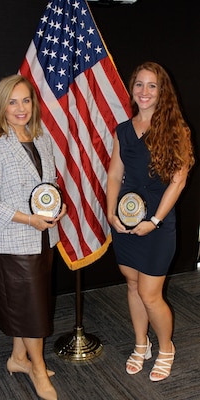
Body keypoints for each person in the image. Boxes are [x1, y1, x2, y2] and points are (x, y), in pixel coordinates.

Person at [0, 74, 67, 400]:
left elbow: (51, 183)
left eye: (26, 100)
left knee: (29, 303)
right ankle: (38, 369)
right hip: (13, 240)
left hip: (44, 237)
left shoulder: (42, 138)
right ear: (2, 105)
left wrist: (59, 207)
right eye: (12, 101)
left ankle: (18, 358)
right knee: (32, 309)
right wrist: (29, 219)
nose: (20, 108)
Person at [106, 61, 194, 382]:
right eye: (139, 85)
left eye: (152, 85)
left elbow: (179, 181)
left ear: (162, 91)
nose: (144, 91)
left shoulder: (174, 129)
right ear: (132, 89)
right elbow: (115, 174)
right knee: (132, 285)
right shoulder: (123, 130)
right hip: (126, 222)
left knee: (150, 294)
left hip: (157, 224)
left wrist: (155, 220)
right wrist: (110, 212)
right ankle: (141, 344)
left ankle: (166, 347)